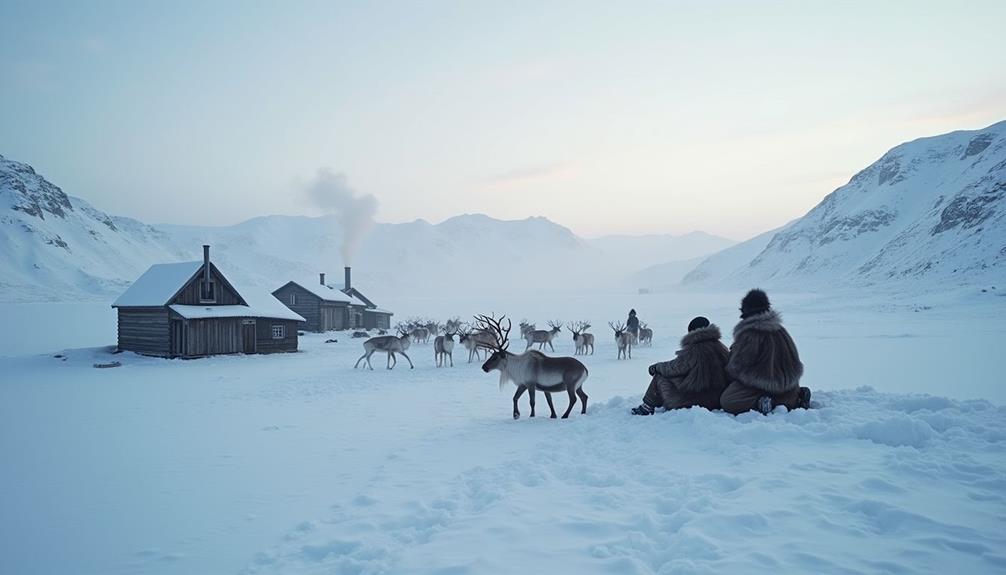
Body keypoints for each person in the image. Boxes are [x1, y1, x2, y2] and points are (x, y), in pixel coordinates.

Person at [720, 289, 812, 415]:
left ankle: (762, 403)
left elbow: (737, 366)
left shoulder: (749, 334)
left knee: (728, 400)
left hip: (761, 383)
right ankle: (796, 397)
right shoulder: (781, 330)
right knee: (784, 393)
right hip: (789, 383)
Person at [631, 316, 729, 415]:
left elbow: (674, 368)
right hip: (717, 399)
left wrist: (655, 367)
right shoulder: (721, 347)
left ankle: (647, 407)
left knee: (659, 376)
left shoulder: (694, 349)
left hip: (696, 401)